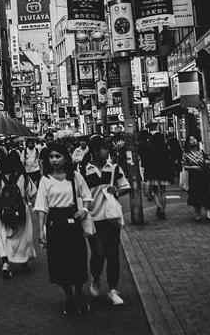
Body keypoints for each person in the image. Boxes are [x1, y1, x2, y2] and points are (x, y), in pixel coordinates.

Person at [35, 141, 93, 316]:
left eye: (57, 156)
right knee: (60, 261)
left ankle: (79, 292)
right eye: (51, 157)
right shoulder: (45, 180)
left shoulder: (75, 177)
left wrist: (84, 210)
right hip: (55, 224)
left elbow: (87, 196)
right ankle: (69, 296)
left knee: (78, 257)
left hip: (73, 221)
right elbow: (41, 207)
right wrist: (41, 231)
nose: (54, 160)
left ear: (65, 158)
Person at [81, 136, 130, 306]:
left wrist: (116, 190)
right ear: (94, 151)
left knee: (113, 254)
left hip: (111, 218)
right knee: (98, 253)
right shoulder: (83, 170)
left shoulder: (114, 168)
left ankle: (112, 289)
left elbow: (125, 187)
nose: (107, 151)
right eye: (103, 148)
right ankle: (95, 278)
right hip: (93, 218)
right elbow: (79, 193)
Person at [0, 150, 37, 279]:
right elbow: (32, 194)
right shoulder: (23, 177)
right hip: (21, 211)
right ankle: (23, 261)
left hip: (4, 212)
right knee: (23, 237)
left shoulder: (0, 177)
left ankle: (6, 263)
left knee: (4, 237)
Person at [183, 136, 210, 222]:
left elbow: (207, 160)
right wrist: (194, 167)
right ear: (188, 143)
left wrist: (207, 162)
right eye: (190, 140)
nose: (193, 140)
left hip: (203, 176)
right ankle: (198, 215)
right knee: (195, 195)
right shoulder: (186, 154)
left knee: (206, 194)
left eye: (194, 139)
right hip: (193, 177)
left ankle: (209, 215)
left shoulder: (201, 152)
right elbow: (184, 166)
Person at [142, 131, 174, 218]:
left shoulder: (150, 148)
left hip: (153, 173)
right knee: (163, 192)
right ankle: (163, 210)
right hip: (163, 173)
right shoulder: (165, 149)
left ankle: (158, 205)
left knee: (155, 191)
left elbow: (145, 162)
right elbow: (169, 162)